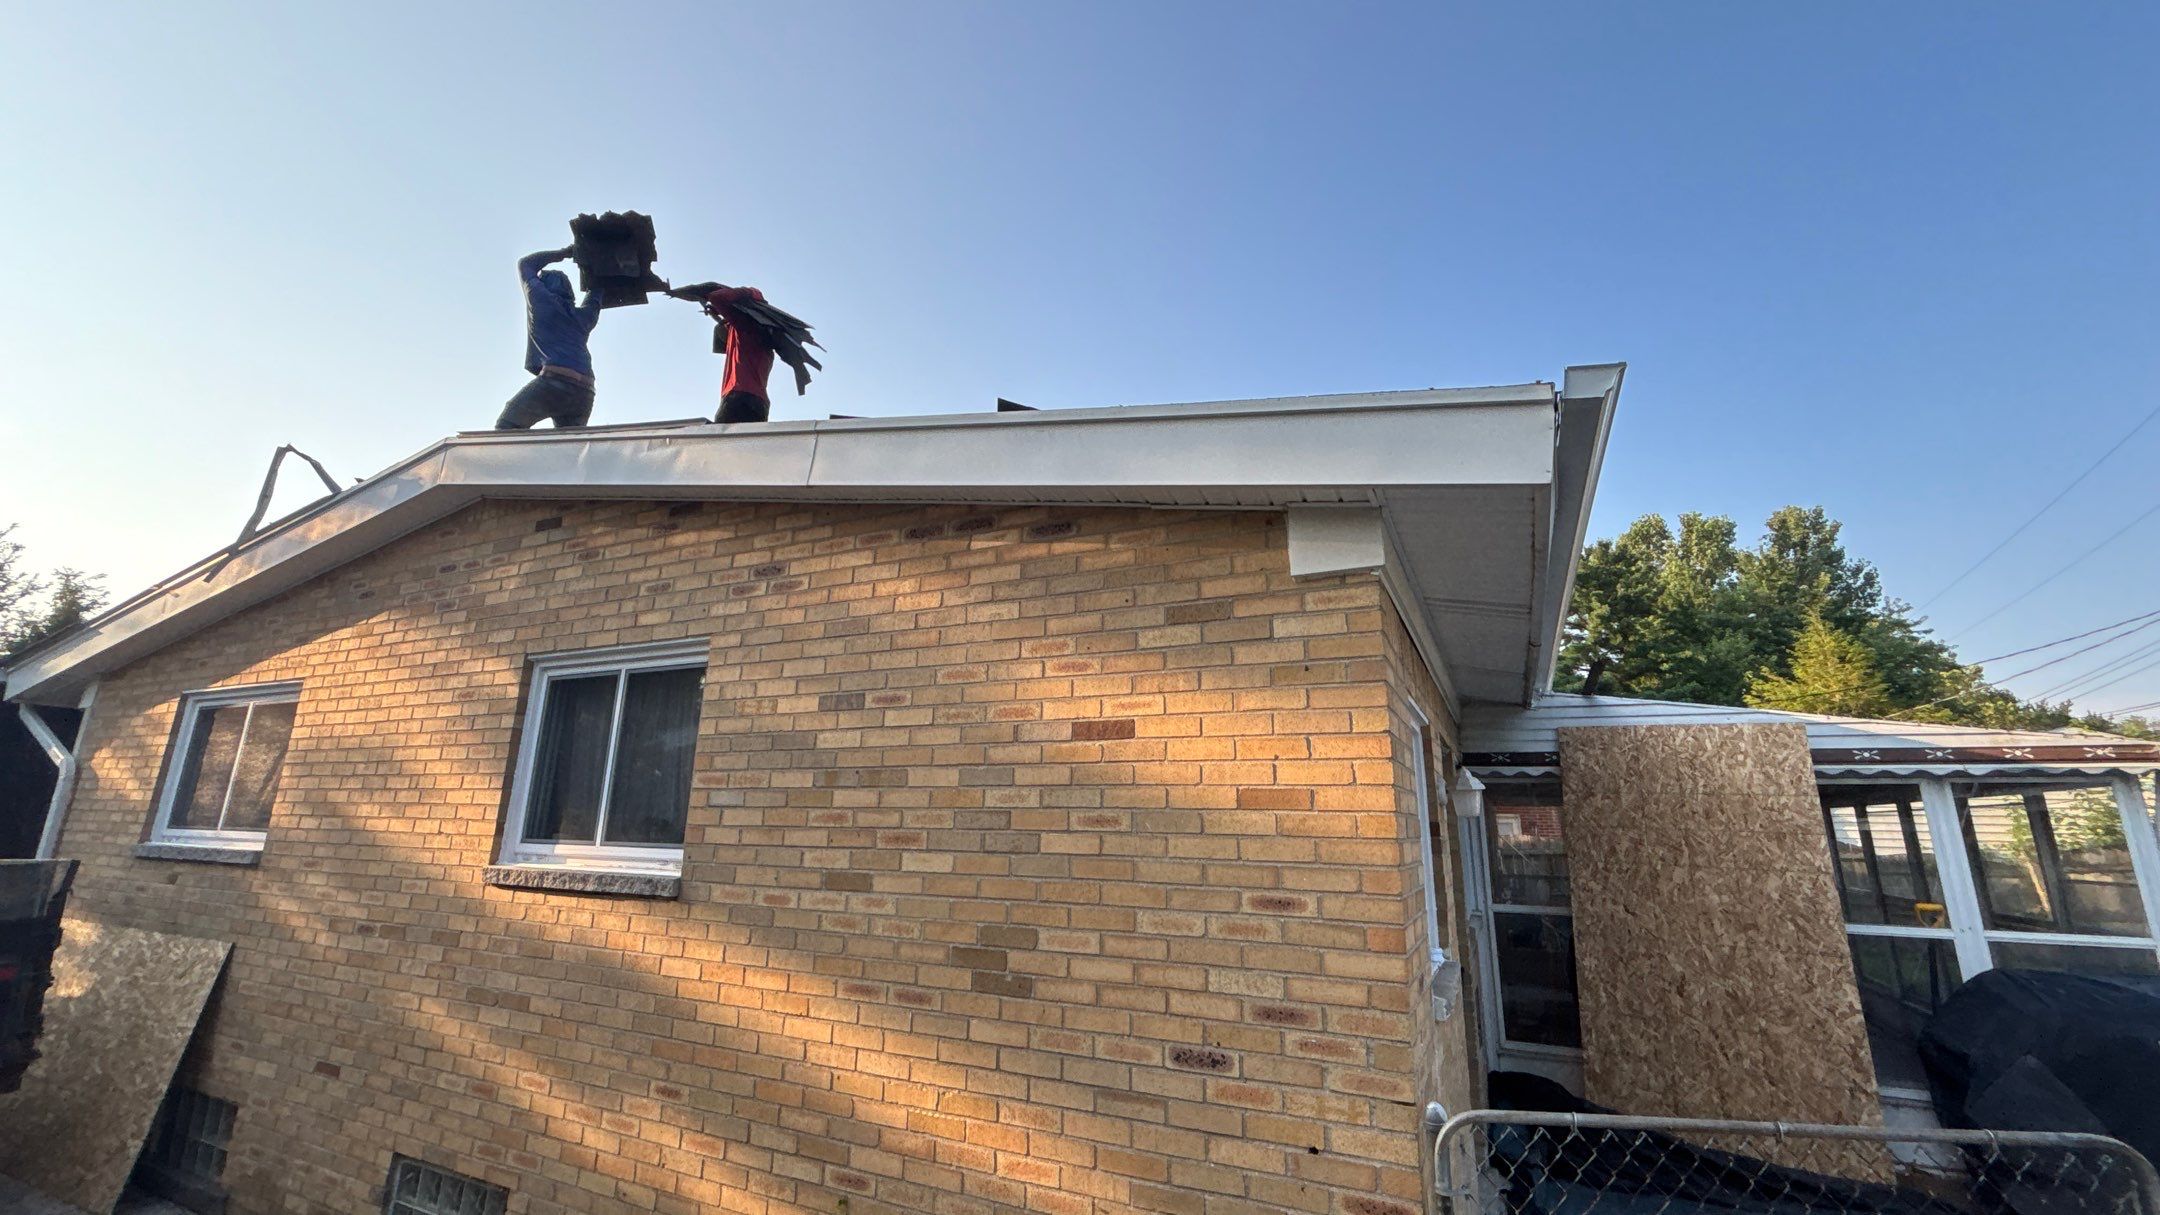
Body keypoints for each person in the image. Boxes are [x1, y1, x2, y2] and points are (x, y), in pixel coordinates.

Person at [497, 248, 604, 430]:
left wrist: (566, 252)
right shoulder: (584, 316)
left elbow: (525, 263)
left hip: (555, 382)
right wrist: (599, 268)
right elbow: (596, 292)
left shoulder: (542, 300)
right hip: (585, 391)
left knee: (506, 427)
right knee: (569, 443)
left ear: (545, 285)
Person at [703, 285, 775, 423]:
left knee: (720, 436)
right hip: (760, 404)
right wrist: (717, 316)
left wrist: (751, 292)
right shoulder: (766, 341)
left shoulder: (744, 327)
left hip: (738, 395)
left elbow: (716, 296)